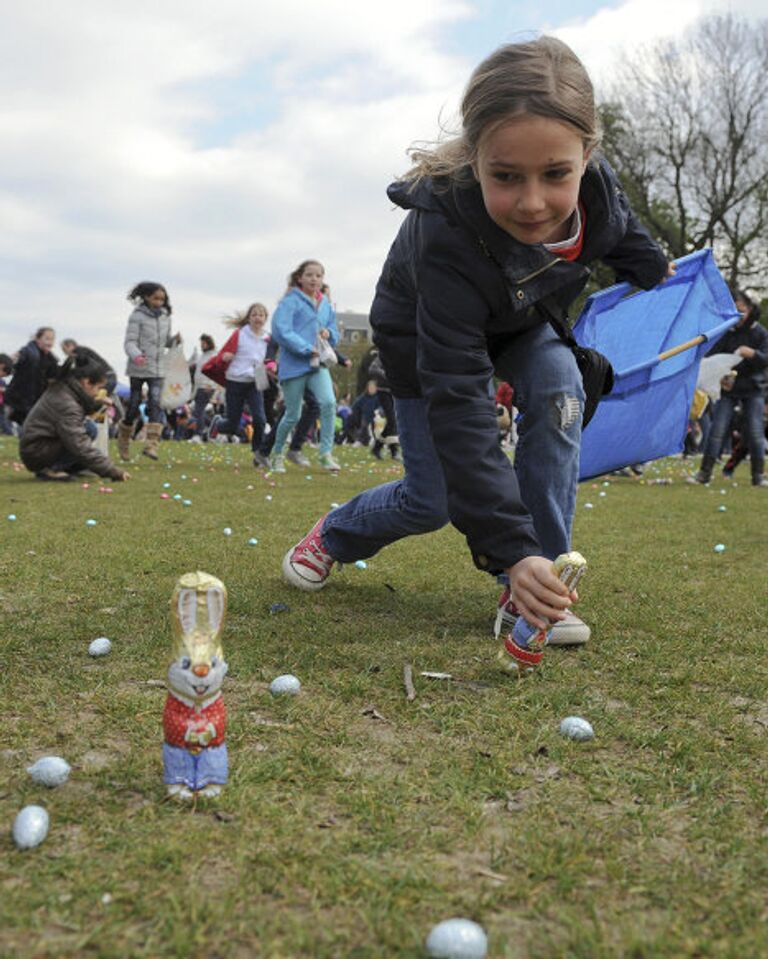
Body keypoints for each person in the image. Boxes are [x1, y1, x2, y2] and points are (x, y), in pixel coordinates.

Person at [280, 36, 672, 673]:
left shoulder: (596, 191)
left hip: (522, 324)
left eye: (556, 174)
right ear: (473, 157)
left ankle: (534, 593)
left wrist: (653, 267)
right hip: (426, 339)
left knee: (561, 389)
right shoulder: (445, 237)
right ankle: (337, 533)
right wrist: (507, 547)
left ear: (588, 156)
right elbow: (460, 399)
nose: (533, 203)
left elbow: (617, 230)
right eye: (506, 176)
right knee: (430, 500)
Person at [690, 289, 768, 488]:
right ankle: (704, 473)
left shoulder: (760, 333)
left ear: (751, 310)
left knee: (755, 432)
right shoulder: (727, 332)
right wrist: (721, 377)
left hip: (753, 388)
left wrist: (753, 354)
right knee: (717, 429)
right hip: (728, 388)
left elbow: (765, 360)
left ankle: (758, 476)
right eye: (735, 311)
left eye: (742, 310)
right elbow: (713, 358)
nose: (739, 315)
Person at [269, 260, 340, 472]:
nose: (314, 279)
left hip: (319, 365)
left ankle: (326, 454)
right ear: (300, 278)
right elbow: (281, 330)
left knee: (328, 403)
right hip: (294, 365)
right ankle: (277, 454)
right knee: (293, 414)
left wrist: (330, 334)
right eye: (309, 275)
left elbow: (333, 329)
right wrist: (305, 348)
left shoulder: (325, 304)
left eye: (318, 275)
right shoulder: (290, 301)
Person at [19, 346, 129, 482]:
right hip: (37, 453)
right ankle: (52, 469)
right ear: (86, 382)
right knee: (85, 432)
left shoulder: (66, 389)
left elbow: (82, 407)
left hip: (38, 447)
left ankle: (66, 467)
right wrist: (112, 471)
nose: (99, 392)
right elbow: (79, 444)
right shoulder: (66, 403)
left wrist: (99, 402)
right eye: (99, 388)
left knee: (89, 429)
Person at [202, 304, 272, 468]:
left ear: (265, 319)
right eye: (254, 315)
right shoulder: (240, 334)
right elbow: (222, 354)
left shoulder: (268, 338)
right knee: (232, 424)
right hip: (235, 381)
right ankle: (218, 423)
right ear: (249, 318)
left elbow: (270, 359)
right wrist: (225, 357)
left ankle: (258, 454)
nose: (257, 318)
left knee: (260, 420)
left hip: (255, 382)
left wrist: (271, 367)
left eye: (261, 315)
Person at [118, 281, 179, 461]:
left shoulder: (166, 317)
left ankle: (152, 445)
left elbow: (165, 342)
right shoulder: (137, 316)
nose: (159, 302)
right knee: (135, 404)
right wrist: (136, 355)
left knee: (155, 402)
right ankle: (124, 440)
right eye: (155, 298)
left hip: (158, 368)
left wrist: (174, 341)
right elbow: (129, 341)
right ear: (146, 297)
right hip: (138, 367)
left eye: (162, 299)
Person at [5, 327, 59, 426]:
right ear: (38, 339)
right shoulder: (27, 351)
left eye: (52, 339)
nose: (50, 342)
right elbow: (11, 362)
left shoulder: (52, 359)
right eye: (47, 338)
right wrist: (9, 362)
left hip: (34, 402)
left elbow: (53, 379)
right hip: (18, 400)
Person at [188, 334, 218, 441]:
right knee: (198, 411)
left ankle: (198, 434)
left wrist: (210, 384)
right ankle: (214, 428)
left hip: (207, 386)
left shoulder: (213, 356)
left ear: (209, 343)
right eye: (201, 343)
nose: (202, 345)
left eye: (204, 343)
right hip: (199, 387)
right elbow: (193, 365)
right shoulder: (202, 356)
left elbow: (215, 371)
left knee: (199, 410)